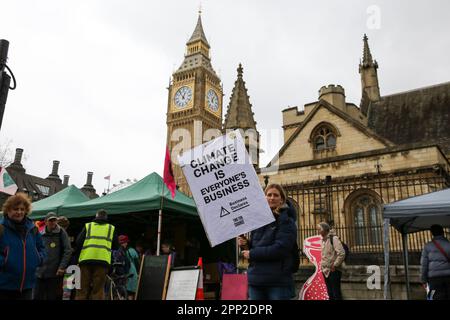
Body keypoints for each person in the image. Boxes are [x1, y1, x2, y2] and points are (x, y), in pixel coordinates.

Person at [238, 184, 297, 300]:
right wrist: (246, 244)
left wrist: (252, 253)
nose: (272, 198)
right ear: (264, 198)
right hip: (256, 280)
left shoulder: (287, 221)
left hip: (277, 282)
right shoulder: (259, 220)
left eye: (276, 195)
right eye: (269, 195)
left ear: (282, 199)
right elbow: (256, 247)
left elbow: (280, 249)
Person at [0, 193, 46, 300]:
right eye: (15, 209)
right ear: (8, 210)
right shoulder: (1, 228)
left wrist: (38, 259)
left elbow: (41, 248)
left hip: (27, 286)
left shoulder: (33, 229)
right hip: (4, 286)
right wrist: (5, 261)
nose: (19, 212)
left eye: (22, 209)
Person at [74, 209, 119, 300]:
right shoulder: (111, 228)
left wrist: (77, 259)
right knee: (98, 290)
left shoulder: (88, 226)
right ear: (106, 217)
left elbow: (78, 242)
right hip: (102, 263)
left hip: (85, 261)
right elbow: (115, 246)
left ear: (96, 216)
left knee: (82, 289)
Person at [34, 212, 72, 300]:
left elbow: (68, 250)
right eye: (51, 221)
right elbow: (34, 249)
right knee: (37, 296)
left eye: (55, 220)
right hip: (39, 271)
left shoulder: (61, 232)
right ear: (46, 222)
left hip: (54, 272)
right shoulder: (40, 232)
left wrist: (62, 267)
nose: (53, 223)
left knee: (51, 296)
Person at [420, 224, 450, 300]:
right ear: (443, 232)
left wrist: (423, 280)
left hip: (434, 279)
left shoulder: (427, 246)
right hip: (448, 277)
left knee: (434, 296)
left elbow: (424, 265)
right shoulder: (448, 244)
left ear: (432, 234)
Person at [318, 221, 345, 300]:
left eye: (320, 229)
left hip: (333, 270)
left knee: (336, 293)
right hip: (325, 270)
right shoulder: (323, 240)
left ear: (325, 229)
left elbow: (341, 253)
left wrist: (335, 265)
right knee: (330, 294)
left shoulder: (334, 238)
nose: (318, 231)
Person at [118, 235, 140, 300]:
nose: (123, 244)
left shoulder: (118, 251)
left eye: (123, 243)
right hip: (131, 273)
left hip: (123, 273)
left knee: (123, 293)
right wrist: (138, 273)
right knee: (130, 292)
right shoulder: (132, 251)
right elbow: (137, 263)